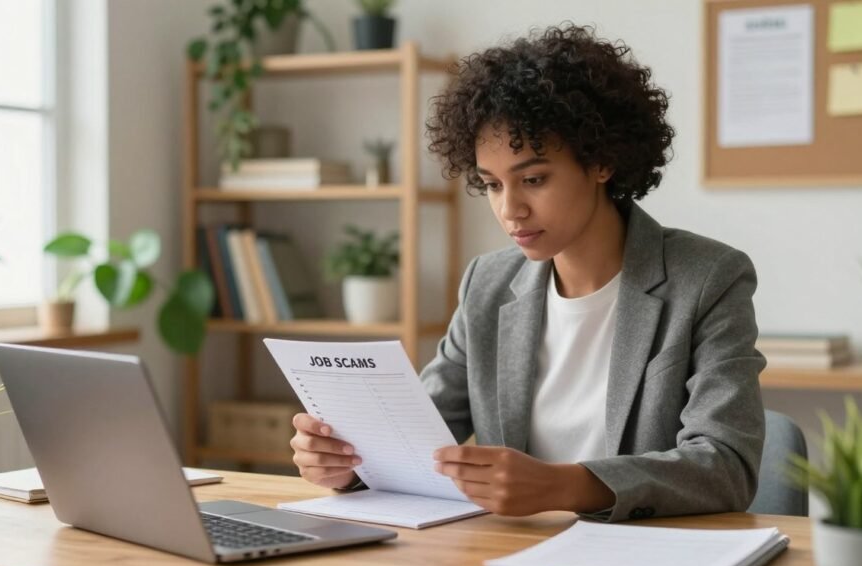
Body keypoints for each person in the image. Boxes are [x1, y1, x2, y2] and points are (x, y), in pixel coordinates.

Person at [289, 24, 765, 522]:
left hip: (643, 558)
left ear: (601, 160)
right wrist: (346, 463)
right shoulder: (487, 285)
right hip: (508, 551)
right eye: (492, 184)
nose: (510, 209)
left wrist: (563, 485)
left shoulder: (708, 278)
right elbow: (420, 435)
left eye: (533, 179)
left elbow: (726, 465)